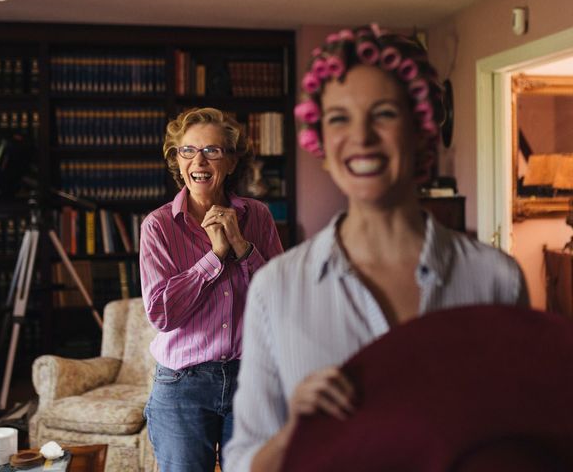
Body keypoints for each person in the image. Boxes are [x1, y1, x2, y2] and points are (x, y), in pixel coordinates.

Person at [224, 24, 529, 472]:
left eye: (384, 113)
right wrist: (295, 435)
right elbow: (241, 464)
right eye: (339, 118)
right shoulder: (277, 288)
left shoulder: (496, 279)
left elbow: (524, 440)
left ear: (421, 128)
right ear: (321, 144)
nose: (362, 136)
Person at [139, 107, 284, 472]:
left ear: (231, 161)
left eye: (212, 151)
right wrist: (216, 257)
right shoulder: (158, 227)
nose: (199, 160)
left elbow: (281, 301)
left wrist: (242, 248)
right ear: (177, 159)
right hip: (181, 386)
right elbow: (161, 313)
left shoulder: (258, 216)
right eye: (188, 150)